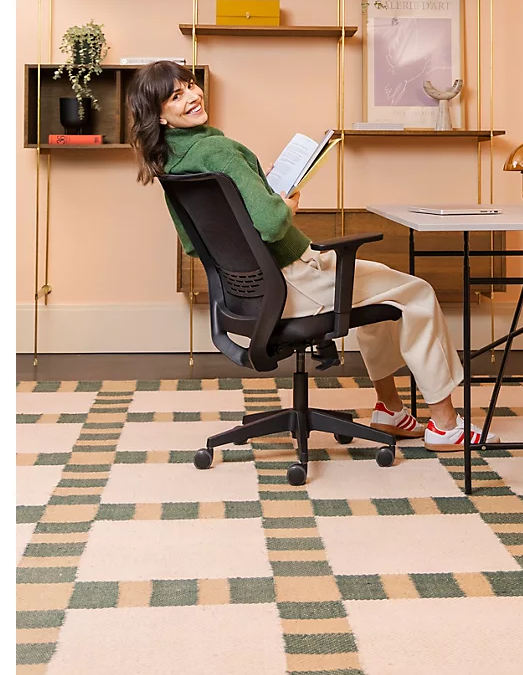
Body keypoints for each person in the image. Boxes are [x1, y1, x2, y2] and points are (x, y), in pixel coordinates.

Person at [125, 60, 498, 450]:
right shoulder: (217, 151)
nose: (192, 96)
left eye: (190, 85)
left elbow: (194, 242)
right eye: (176, 96)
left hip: (254, 294)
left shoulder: (172, 162)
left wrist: (260, 190)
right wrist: (285, 205)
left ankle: (389, 409)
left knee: (384, 291)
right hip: (296, 280)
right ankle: (446, 426)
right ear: (161, 116)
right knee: (416, 293)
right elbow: (272, 224)